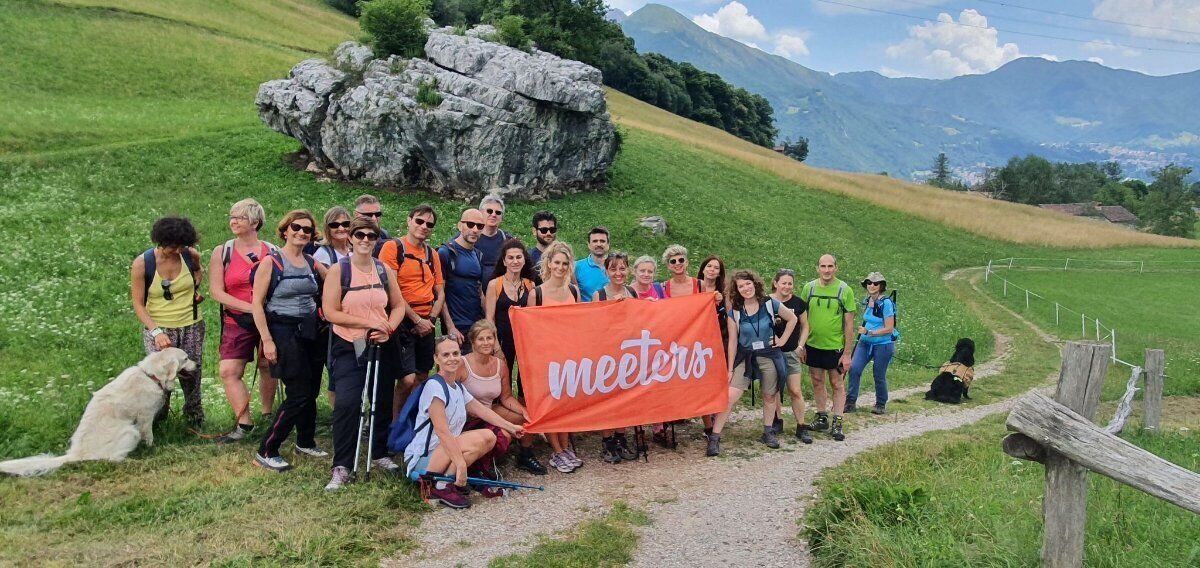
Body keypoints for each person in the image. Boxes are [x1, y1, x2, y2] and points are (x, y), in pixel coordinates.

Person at [322, 218, 411, 491]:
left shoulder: (384, 270)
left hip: (382, 342)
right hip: (349, 343)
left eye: (371, 236)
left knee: (381, 399)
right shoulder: (339, 271)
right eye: (359, 234)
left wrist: (388, 328)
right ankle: (343, 465)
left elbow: (397, 306)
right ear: (350, 237)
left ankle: (379, 451)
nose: (365, 240)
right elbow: (331, 312)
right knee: (348, 402)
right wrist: (368, 324)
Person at [404, 336, 525, 509]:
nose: (452, 358)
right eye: (445, 355)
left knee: (490, 437)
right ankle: (440, 486)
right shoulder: (434, 387)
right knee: (479, 438)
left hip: (444, 451)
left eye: (455, 353)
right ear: (436, 359)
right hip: (425, 460)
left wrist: (511, 427)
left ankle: (447, 481)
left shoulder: (456, 386)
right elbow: (442, 432)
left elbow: (482, 411)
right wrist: (460, 465)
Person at [251, 211, 330, 471]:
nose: (302, 233)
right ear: (285, 230)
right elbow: (257, 305)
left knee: (310, 388)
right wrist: (267, 340)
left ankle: (305, 441)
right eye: (296, 227)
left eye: (307, 230)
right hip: (282, 331)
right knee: (298, 392)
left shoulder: (311, 261)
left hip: (311, 331)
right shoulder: (271, 263)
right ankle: (267, 448)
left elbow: (335, 280)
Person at [208, 199, 278, 443]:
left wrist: (264, 310)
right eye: (232, 216)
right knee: (229, 370)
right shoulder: (223, 251)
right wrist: (251, 308)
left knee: (268, 364)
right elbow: (217, 292)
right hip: (237, 318)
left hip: (270, 318)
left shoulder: (272, 251)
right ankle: (244, 423)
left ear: (255, 222)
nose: (233, 221)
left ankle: (268, 414)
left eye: (240, 217)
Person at [708, 270, 798, 456]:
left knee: (769, 395)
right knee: (730, 396)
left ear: (754, 284)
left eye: (748, 284)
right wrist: (730, 368)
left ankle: (768, 431)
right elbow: (733, 341)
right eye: (741, 286)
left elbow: (793, 319)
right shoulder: (736, 311)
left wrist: (781, 341)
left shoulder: (769, 304)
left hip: (768, 354)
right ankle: (715, 437)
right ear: (736, 290)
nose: (745, 288)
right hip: (745, 356)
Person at [130, 216, 206, 427]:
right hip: (160, 328)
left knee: (192, 372)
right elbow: (138, 303)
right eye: (173, 246)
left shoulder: (190, 256)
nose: (177, 250)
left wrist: (196, 285)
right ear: (161, 241)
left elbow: (199, 272)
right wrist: (156, 332)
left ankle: (194, 418)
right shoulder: (143, 264)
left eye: (182, 246)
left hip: (191, 325)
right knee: (160, 376)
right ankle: (158, 419)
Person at [378, 204, 446, 419]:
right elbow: (391, 289)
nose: (424, 226)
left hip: (428, 319)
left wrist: (431, 319)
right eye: (419, 221)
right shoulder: (393, 248)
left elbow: (440, 291)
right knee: (406, 378)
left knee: (422, 375)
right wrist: (416, 319)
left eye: (429, 224)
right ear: (409, 220)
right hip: (402, 319)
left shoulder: (431, 253)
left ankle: (413, 419)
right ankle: (394, 421)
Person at [459, 321, 546, 476]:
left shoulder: (500, 365)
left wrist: (523, 410)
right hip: (467, 416)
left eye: (489, 338)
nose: (486, 342)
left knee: (527, 418)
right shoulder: (462, 364)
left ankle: (525, 455)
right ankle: (479, 464)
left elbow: (506, 397)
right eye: (481, 339)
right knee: (504, 435)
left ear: (494, 340)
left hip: (490, 409)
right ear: (472, 341)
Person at [527, 241, 582, 472]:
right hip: (545, 356)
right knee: (550, 402)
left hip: (569, 353)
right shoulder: (536, 293)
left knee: (566, 401)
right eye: (556, 262)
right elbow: (529, 329)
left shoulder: (573, 290)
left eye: (564, 263)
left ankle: (566, 445)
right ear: (549, 263)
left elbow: (581, 321)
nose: (560, 267)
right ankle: (556, 451)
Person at [801, 254, 856, 442]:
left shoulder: (844, 290)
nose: (826, 270)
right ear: (817, 268)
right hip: (813, 344)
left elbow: (849, 324)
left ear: (836, 268)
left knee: (837, 383)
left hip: (835, 346)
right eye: (823, 266)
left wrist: (847, 353)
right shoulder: (808, 288)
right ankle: (822, 416)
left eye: (830, 266)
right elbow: (803, 319)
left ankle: (837, 421)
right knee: (817, 380)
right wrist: (802, 345)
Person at [593, 252, 642, 463]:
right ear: (606, 271)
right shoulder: (599, 295)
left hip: (629, 353)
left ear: (628, 270)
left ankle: (621, 437)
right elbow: (595, 326)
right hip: (607, 354)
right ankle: (607, 441)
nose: (618, 273)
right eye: (613, 269)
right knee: (608, 399)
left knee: (626, 398)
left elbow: (641, 321)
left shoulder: (632, 292)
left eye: (622, 268)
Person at [769, 269, 813, 444]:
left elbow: (805, 326)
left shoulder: (799, 303)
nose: (787, 286)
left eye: (790, 283)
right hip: (772, 352)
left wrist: (801, 346)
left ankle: (801, 426)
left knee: (795, 390)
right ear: (775, 283)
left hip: (791, 352)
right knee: (773, 390)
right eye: (783, 283)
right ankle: (776, 421)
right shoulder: (767, 300)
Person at [484, 238, 536, 382]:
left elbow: (533, 317)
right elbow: (489, 318)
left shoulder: (530, 285)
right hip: (502, 339)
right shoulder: (494, 284)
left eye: (519, 257)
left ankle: (522, 402)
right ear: (504, 261)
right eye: (511, 258)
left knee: (525, 379)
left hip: (524, 341)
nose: (515, 261)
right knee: (501, 378)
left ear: (524, 260)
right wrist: (495, 347)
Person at [315, 206, 352, 406]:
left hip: (355, 315)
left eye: (346, 224)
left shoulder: (355, 249)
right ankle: (337, 412)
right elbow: (331, 283)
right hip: (333, 318)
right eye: (335, 224)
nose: (341, 228)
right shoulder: (323, 253)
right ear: (327, 228)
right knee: (335, 368)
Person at [846, 272, 896, 415]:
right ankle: (850, 401)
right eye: (869, 283)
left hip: (883, 344)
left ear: (881, 286)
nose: (871, 286)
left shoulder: (886, 303)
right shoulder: (867, 300)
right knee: (854, 369)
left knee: (878, 374)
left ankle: (880, 403)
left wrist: (870, 332)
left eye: (875, 283)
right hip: (865, 343)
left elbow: (889, 328)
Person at [439, 209, 486, 352]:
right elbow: (439, 293)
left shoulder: (478, 255)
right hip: (456, 326)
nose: (475, 230)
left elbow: (480, 291)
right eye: (470, 224)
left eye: (480, 226)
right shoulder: (446, 253)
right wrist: (450, 326)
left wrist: (488, 321)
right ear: (460, 226)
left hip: (476, 325)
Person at [475, 194, 511, 279]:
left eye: (498, 212)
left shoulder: (508, 240)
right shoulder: (470, 236)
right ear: (480, 213)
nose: (493, 215)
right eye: (489, 211)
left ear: (501, 217)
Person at [574, 226, 610, 301]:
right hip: (588, 311)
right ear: (588, 244)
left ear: (608, 244)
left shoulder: (615, 268)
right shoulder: (577, 267)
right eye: (595, 241)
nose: (599, 244)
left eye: (602, 241)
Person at [528, 210, 557, 279]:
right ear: (534, 231)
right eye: (544, 230)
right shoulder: (527, 258)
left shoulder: (563, 255)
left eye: (552, 230)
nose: (548, 233)